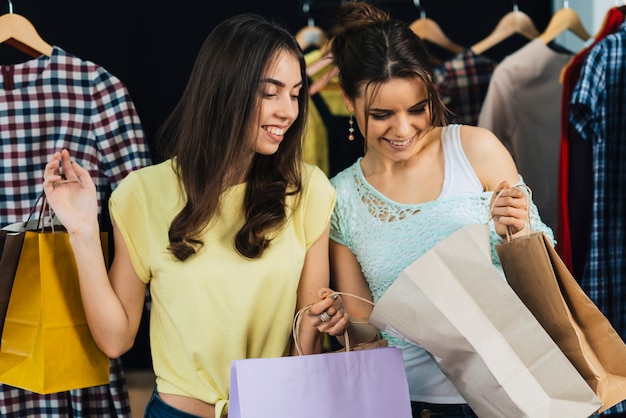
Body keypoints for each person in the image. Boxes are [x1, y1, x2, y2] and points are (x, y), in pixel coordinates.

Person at [43, 14, 347, 418]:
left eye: (295, 94)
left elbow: (304, 342)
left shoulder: (308, 191)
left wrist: (324, 321)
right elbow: (115, 339)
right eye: (271, 93)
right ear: (225, 90)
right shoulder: (143, 193)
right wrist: (81, 230)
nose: (288, 111)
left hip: (274, 409)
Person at [325, 2, 554, 417]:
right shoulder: (340, 198)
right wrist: (341, 319)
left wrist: (518, 229)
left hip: (516, 387)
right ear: (348, 102)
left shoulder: (475, 149)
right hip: (413, 402)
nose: (403, 129)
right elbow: (364, 326)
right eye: (381, 115)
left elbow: (544, 271)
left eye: (417, 108)